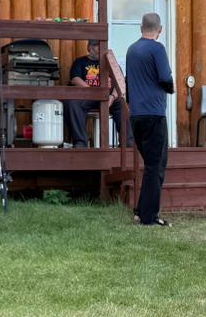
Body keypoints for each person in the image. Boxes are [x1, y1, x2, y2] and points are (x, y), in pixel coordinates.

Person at [125, 12, 175, 226]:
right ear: (160, 30)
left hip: (136, 116)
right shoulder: (157, 49)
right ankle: (149, 217)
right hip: (154, 114)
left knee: (151, 166)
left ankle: (141, 211)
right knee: (157, 166)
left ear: (141, 27)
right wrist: (171, 88)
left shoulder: (131, 50)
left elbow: (128, 82)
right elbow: (165, 77)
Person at [63, 38, 122, 146]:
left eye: (102, 46)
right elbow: (75, 79)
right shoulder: (80, 62)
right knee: (72, 103)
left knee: (122, 104)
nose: (100, 49)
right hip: (87, 97)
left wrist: (113, 97)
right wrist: (91, 91)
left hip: (108, 98)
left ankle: (127, 143)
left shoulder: (111, 63)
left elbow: (120, 82)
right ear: (89, 47)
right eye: (97, 46)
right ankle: (80, 143)